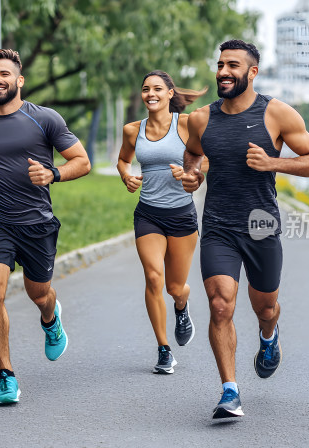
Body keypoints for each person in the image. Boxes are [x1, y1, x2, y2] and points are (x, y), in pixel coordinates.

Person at [178, 40, 309, 419]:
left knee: (266, 307)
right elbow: (193, 153)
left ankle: (269, 335)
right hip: (218, 225)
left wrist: (274, 164)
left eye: (233, 66)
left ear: (252, 72)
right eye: (220, 65)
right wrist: (193, 176)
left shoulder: (276, 114)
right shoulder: (201, 119)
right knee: (220, 303)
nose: (223, 72)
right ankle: (230, 391)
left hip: (261, 225)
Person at [0, 49, 91, 405]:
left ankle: (50, 317)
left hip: (36, 223)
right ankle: (6, 376)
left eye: (4, 74)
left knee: (39, 293)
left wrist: (53, 173)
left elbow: (83, 161)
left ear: (19, 80)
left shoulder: (44, 119)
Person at [116, 71, 206, 374]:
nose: (150, 93)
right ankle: (164, 349)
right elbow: (123, 160)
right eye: (145, 89)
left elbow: (205, 157)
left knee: (175, 286)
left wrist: (191, 173)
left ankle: (182, 307)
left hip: (181, 214)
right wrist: (126, 175)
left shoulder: (186, 123)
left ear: (170, 94)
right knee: (153, 277)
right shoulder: (132, 130)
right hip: (148, 214)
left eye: (157, 89)